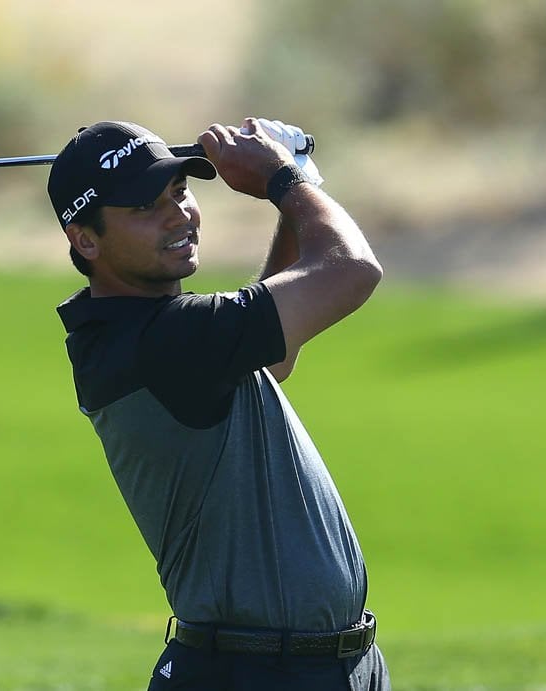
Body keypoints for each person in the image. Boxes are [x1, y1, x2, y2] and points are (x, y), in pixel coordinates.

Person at [47, 118, 390, 690]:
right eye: (144, 207)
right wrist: (283, 178)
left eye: (179, 193)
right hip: (257, 672)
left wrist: (294, 186)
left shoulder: (143, 336)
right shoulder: (164, 340)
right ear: (86, 239)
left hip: (308, 665)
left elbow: (270, 360)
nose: (178, 215)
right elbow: (352, 270)